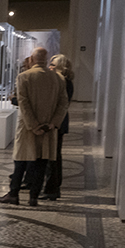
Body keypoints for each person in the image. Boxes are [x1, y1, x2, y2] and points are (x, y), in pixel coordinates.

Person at [0, 47, 68, 206]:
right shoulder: (58, 78)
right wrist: (52, 123)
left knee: (21, 161)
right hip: (48, 129)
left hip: (28, 128)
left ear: (32, 59)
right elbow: (63, 104)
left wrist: (33, 126)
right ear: (46, 59)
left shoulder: (24, 77)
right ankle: (33, 196)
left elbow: (23, 103)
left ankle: (14, 194)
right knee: (41, 162)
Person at [41, 54, 75, 200]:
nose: (50, 67)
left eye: (53, 65)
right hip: (58, 121)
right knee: (53, 156)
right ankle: (52, 187)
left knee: (53, 157)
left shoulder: (63, 82)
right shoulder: (63, 81)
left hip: (57, 122)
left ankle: (52, 188)